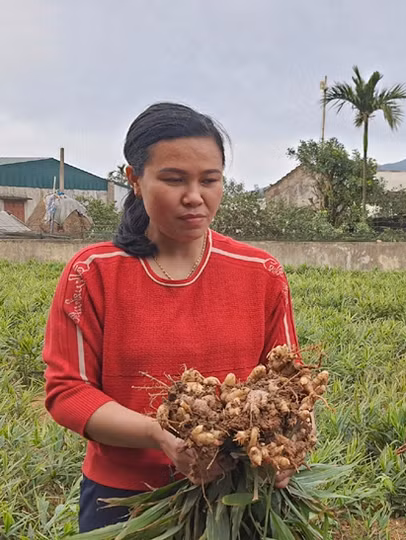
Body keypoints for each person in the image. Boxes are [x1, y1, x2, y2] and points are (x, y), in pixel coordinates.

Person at [43, 102, 300, 532]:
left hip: (241, 494)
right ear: (134, 179)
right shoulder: (93, 273)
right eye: (174, 179)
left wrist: (287, 444)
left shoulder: (261, 272)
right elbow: (68, 392)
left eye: (210, 180)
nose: (195, 197)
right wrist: (158, 435)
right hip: (126, 501)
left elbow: (290, 385)